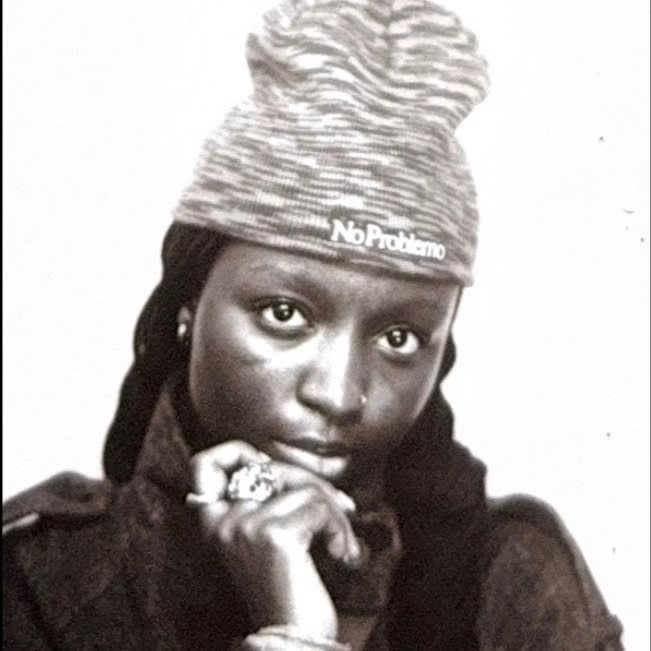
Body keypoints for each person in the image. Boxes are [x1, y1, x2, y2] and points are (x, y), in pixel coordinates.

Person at [2, 1, 624, 649]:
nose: (338, 393)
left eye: (399, 338)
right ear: (189, 300)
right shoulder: (40, 580)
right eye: (285, 314)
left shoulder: (514, 580)